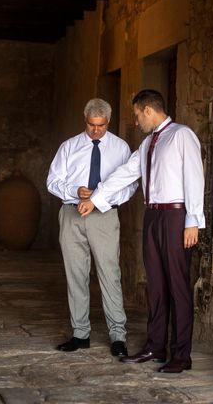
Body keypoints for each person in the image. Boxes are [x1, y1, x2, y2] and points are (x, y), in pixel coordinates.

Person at [78, 89, 205, 373]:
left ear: (148, 110)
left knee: (178, 287)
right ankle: (155, 347)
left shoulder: (182, 135)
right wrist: (95, 200)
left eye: (137, 115)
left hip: (176, 216)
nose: (136, 121)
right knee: (156, 286)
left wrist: (193, 221)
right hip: (152, 217)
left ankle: (181, 355)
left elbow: (195, 177)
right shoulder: (147, 144)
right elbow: (123, 175)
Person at [47, 98, 137, 357]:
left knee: (110, 274)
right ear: (84, 120)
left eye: (102, 125)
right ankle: (80, 333)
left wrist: (102, 200)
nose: (96, 131)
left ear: (108, 121)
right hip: (72, 213)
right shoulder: (69, 147)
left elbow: (129, 186)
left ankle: (118, 335)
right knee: (76, 273)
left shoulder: (120, 148)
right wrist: (74, 190)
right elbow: (52, 181)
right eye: (91, 125)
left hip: (105, 217)